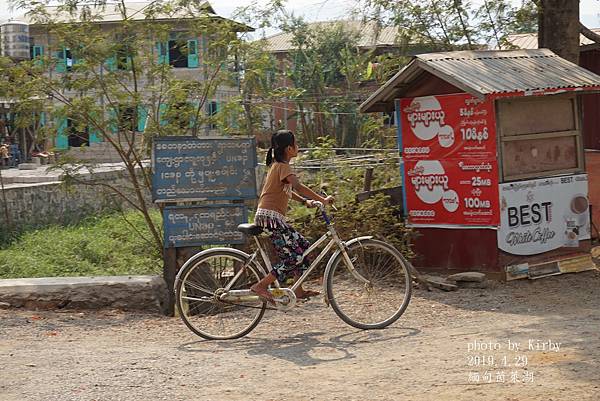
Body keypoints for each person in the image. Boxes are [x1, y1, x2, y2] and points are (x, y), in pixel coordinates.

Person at [250, 130, 334, 304]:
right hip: (270, 218)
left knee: (304, 247)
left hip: (272, 218)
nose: (298, 147)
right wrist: (322, 200)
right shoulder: (282, 166)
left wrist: (306, 202)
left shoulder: (278, 165)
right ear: (289, 148)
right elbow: (297, 186)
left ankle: (298, 288)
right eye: (296, 144)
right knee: (292, 258)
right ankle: (261, 286)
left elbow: (287, 190)